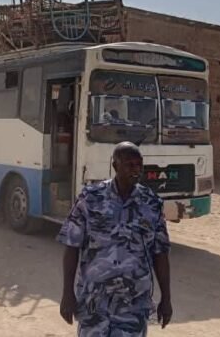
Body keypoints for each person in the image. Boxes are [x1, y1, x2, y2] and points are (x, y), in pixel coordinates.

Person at [58, 141, 172, 336]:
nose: (136, 170)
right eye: (129, 165)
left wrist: (166, 299)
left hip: (133, 305)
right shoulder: (90, 198)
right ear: (115, 166)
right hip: (94, 302)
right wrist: (67, 293)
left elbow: (160, 254)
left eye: (139, 165)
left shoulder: (151, 204)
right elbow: (72, 246)